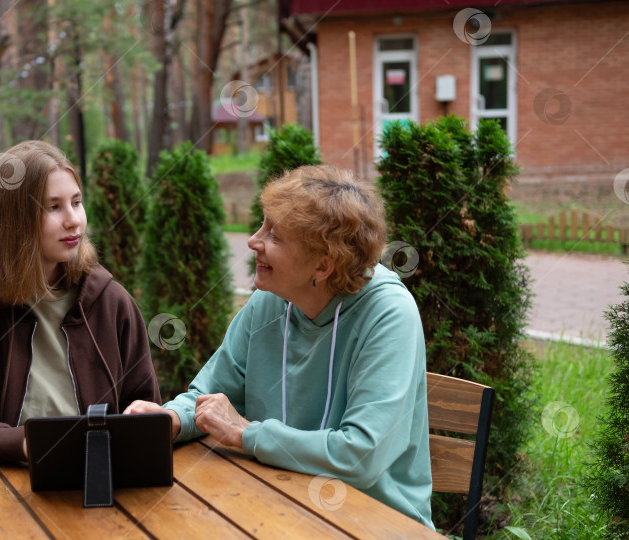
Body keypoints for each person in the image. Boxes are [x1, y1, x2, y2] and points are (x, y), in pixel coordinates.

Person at [125, 164, 433, 528]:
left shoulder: (388, 314)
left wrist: (246, 434)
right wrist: (173, 418)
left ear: (322, 266)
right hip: (277, 504)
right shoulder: (270, 300)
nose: (254, 241)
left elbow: (360, 456)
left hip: (373, 520)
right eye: (262, 224)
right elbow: (212, 393)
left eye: (274, 235)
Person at [0, 140, 160, 466]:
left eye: (77, 202)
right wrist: (23, 444)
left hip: (94, 489)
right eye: (53, 207)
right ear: (12, 220)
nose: (73, 221)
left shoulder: (111, 303)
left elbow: (144, 413)